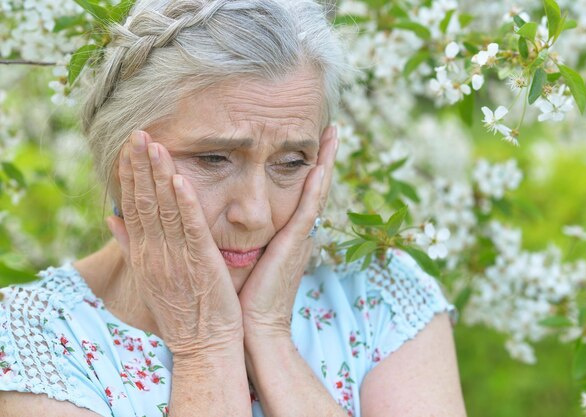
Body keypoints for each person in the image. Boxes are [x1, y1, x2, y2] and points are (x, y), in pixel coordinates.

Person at [0, 0, 466, 416]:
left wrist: (269, 336)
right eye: (214, 159)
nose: (256, 213)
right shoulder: (29, 340)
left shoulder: (381, 294)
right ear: (123, 157)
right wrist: (207, 347)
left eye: (290, 162)